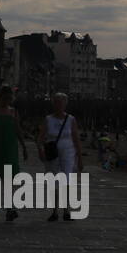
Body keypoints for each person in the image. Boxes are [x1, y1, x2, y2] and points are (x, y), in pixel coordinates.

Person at [39, 92, 82, 221]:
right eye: (57, 102)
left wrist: (80, 157)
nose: (59, 105)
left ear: (65, 104)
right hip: (52, 154)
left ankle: (66, 210)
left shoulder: (71, 119)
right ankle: (54, 211)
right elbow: (40, 138)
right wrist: (40, 150)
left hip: (68, 153)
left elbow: (76, 138)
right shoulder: (48, 119)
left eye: (61, 102)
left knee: (66, 181)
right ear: (53, 103)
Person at [0, 85, 25, 221]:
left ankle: (10, 209)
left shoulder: (13, 112)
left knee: (9, 180)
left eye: (9, 99)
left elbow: (18, 130)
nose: (7, 101)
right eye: (5, 98)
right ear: (0, 97)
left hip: (9, 150)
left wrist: (24, 146)